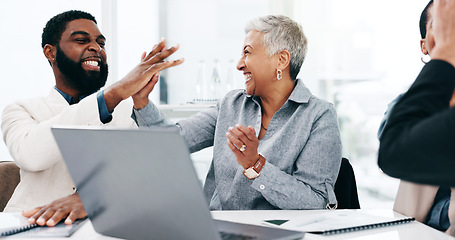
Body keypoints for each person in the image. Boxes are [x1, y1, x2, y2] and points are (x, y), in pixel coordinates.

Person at [132, 15, 342, 210]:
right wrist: (141, 100)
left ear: (281, 60)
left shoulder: (318, 116)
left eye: (247, 52)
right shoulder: (231, 104)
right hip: (219, 230)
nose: (239, 64)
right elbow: (171, 141)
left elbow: (315, 201)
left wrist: (255, 165)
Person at [1, 10, 183, 226]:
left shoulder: (129, 111)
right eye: (81, 40)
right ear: (50, 52)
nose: (96, 48)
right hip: (31, 225)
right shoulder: (21, 109)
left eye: (101, 43)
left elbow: (151, 179)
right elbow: (31, 155)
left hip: (111, 226)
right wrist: (111, 95)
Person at [378, 0, 455, 235]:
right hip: (415, 230)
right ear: (425, 45)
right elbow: (393, 139)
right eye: (444, 24)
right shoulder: (407, 105)